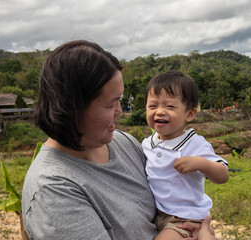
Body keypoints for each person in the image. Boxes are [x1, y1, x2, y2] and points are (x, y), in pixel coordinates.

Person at [21, 40, 158, 239]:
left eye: (119, 100)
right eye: (111, 105)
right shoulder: (52, 188)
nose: (120, 111)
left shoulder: (124, 143)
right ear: (72, 109)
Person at [142, 70, 229, 239]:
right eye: (153, 106)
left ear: (190, 114)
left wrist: (200, 164)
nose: (159, 112)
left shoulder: (194, 144)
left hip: (183, 218)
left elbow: (223, 175)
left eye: (170, 106)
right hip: (154, 215)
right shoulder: (147, 144)